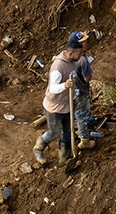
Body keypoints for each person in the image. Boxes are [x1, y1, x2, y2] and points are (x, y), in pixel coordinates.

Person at [34, 36, 85, 166]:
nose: (81, 56)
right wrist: (64, 86)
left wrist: (75, 93)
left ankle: (64, 157)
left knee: (68, 132)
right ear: (70, 53)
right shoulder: (58, 67)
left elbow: (73, 79)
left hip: (68, 105)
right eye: (79, 54)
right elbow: (52, 88)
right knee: (54, 132)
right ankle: (38, 148)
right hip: (55, 107)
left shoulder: (73, 62)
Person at [69, 32, 97, 149]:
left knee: (71, 112)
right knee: (82, 115)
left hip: (69, 89)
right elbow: (87, 78)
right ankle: (84, 140)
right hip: (80, 91)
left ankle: (70, 131)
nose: (85, 43)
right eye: (83, 42)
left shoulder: (67, 55)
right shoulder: (83, 60)